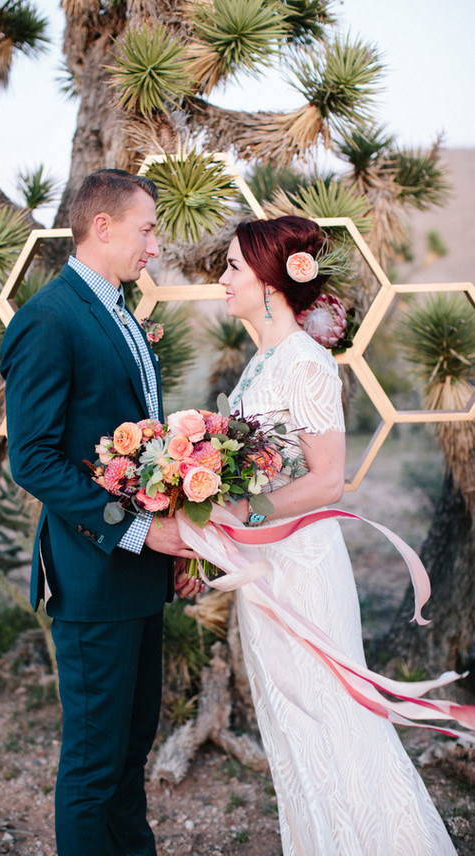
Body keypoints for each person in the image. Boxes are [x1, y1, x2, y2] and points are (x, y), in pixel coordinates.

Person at [213, 215, 458, 854]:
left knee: (333, 718)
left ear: (271, 281)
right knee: (290, 724)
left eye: (234, 266)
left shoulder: (306, 363)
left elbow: (328, 482)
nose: (223, 279)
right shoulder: (261, 362)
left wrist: (248, 515)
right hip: (263, 569)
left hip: (302, 565)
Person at [0, 169, 199, 856]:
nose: (154, 245)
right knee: (92, 765)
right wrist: (142, 530)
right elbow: (34, 460)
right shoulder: (48, 320)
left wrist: (174, 545)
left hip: (139, 577)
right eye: (147, 229)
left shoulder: (119, 312)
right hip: (91, 579)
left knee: (129, 755)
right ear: (103, 226)